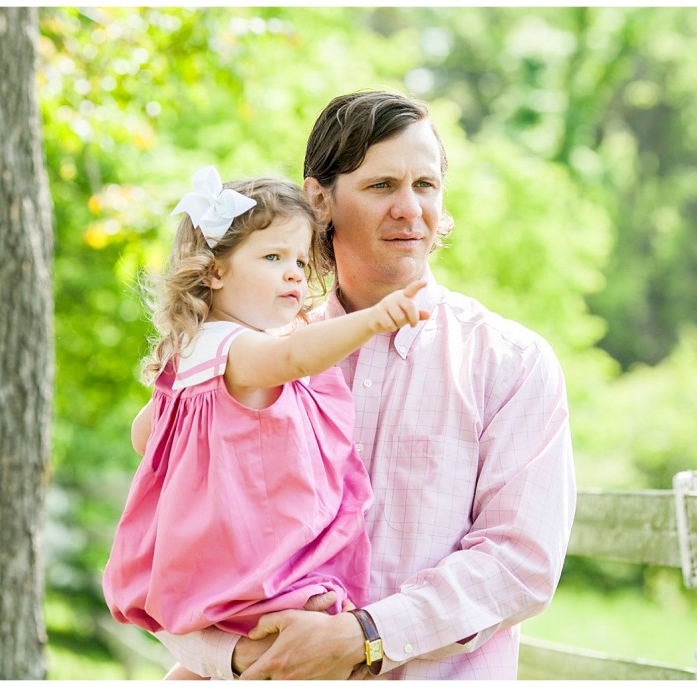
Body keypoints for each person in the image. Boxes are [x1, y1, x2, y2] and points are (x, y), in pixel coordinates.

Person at [154, 90, 577, 680]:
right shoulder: (250, 362)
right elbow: (177, 544)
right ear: (319, 199)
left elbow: (520, 562)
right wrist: (237, 655)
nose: (410, 209)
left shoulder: (510, 362)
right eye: (382, 186)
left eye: (425, 186)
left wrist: (366, 637)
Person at [102, 167, 431, 678]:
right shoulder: (237, 348)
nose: (296, 273)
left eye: (301, 260)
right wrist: (374, 319)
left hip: (216, 569)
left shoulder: (190, 356)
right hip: (261, 566)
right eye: (273, 257)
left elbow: (143, 436)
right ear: (214, 272)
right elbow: (297, 359)